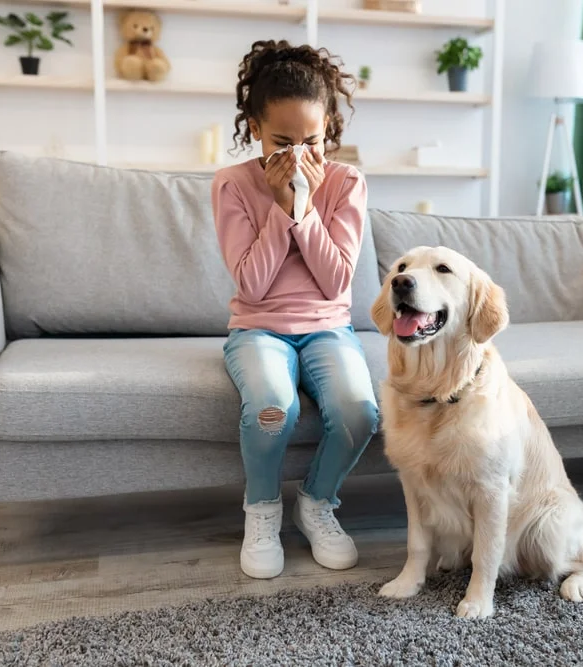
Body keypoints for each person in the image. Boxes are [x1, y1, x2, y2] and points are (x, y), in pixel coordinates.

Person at [211, 39, 379, 580]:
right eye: (282, 142)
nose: (299, 157)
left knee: (360, 411)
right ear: (254, 128)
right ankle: (261, 512)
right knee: (271, 409)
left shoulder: (346, 182)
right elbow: (254, 287)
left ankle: (317, 503)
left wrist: (302, 208)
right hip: (258, 329)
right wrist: (280, 210)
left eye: (312, 141)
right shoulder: (233, 184)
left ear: (328, 126)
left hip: (328, 328)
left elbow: (335, 283)